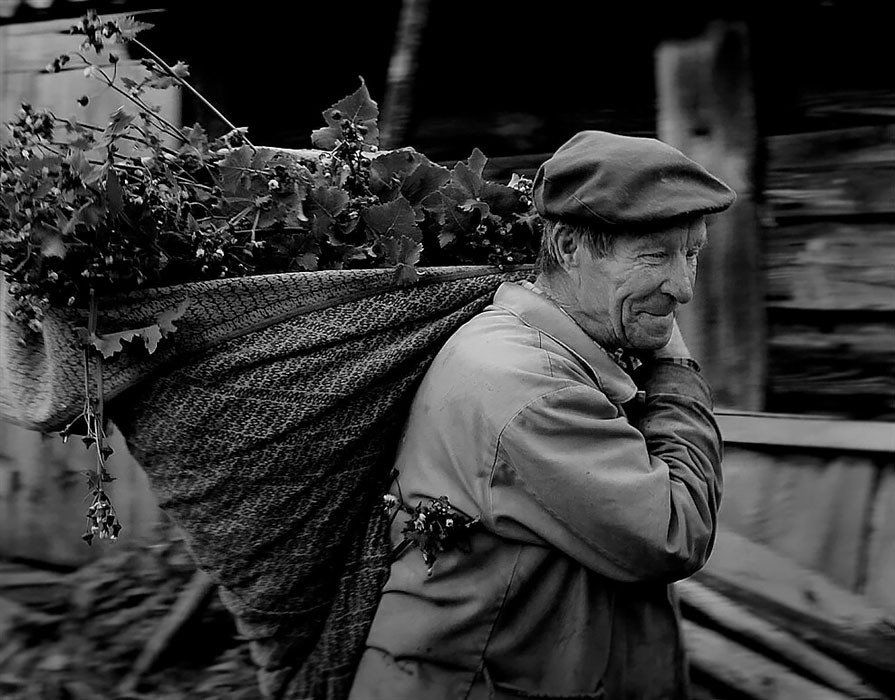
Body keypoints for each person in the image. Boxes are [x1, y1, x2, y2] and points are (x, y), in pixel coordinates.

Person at [348, 130, 736, 699]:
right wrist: (676, 370)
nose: (683, 288)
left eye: (692, 253)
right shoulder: (533, 388)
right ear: (568, 247)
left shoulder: (554, 347)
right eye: (655, 255)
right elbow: (675, 533)